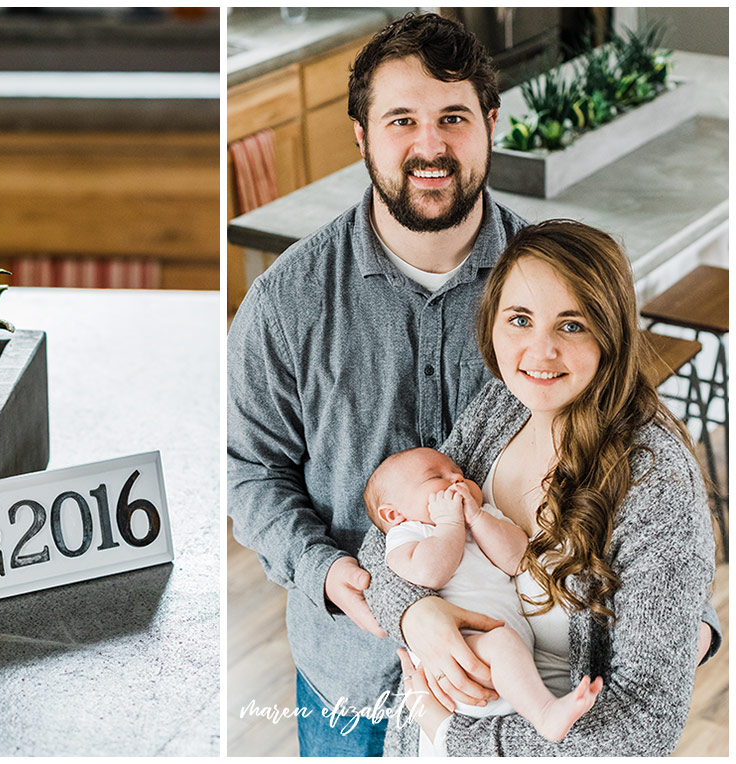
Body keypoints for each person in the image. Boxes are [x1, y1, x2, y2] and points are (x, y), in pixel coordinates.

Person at [227, 12, 720, 756]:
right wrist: (344, 583)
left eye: (453, 117)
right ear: (361, 135)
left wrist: (674, 624)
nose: (430, 146)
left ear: (491, 123)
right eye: (401, 121)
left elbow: (639, 491)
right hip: (351, 683)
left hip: (527, 702)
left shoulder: (545, 288)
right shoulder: (285, 301)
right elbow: (248, 472)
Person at [360, 220, 718, 755]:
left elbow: (641, 729)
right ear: (492, 325)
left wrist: (455, 734)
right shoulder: (500, 408)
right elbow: (383, 537)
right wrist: (417, 615)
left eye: (571, 325)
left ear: (612, 333)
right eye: (520, 320)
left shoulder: (655, 479)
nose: (540, 351)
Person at [365, 447, 601, 750]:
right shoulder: (407, 533)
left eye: (459, 474)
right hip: (461, 655)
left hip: (505, 661)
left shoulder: (482, 517)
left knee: (505, 646)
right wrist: (449, 525)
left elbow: (517, 559)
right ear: (393, 513)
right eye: (436, 477)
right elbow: (430, 574)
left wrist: (476, 517)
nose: (456, 479)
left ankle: (536, 710)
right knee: (502, 643)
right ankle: (544, 714)